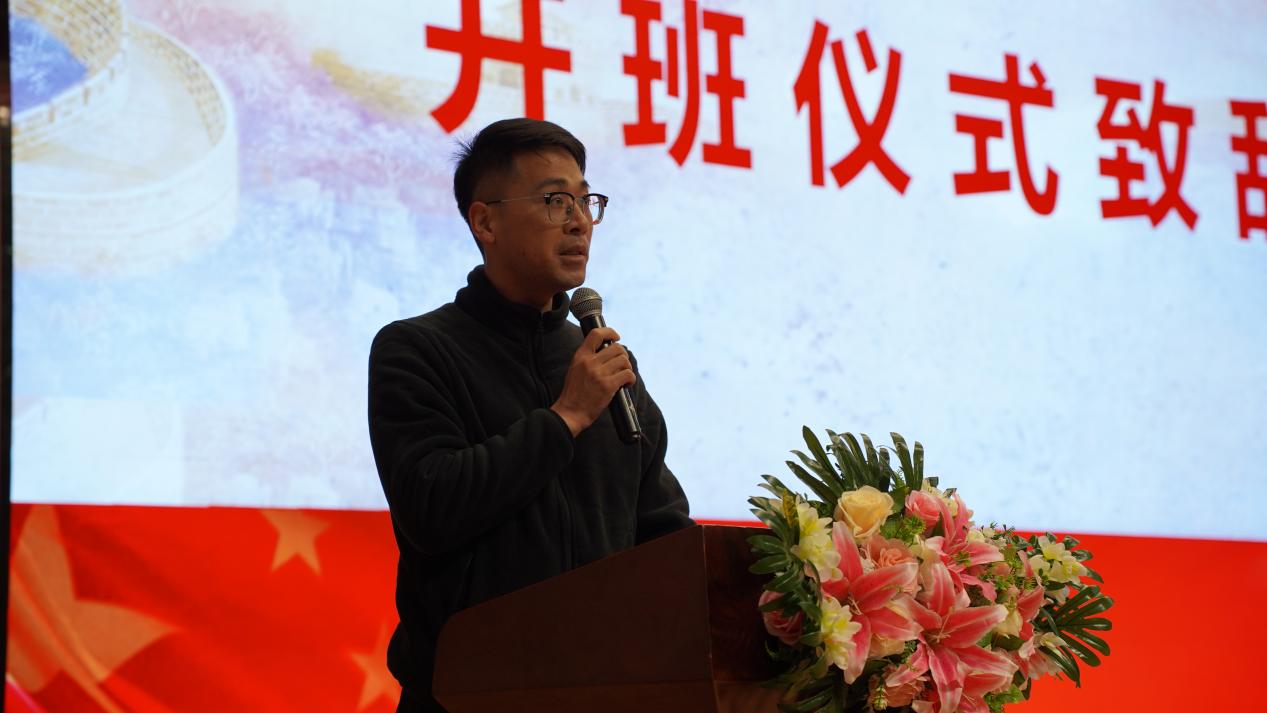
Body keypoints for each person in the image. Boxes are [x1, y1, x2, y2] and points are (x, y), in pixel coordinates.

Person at [367, 118, 693, 712]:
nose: (579, 221)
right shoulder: (416, 350)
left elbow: (662, 530)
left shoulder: (600, 361)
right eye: (554, 201)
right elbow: (431, 507)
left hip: (604, 692)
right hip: (468, 696)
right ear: (485, 221)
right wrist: (565, 417)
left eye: (585, 201)